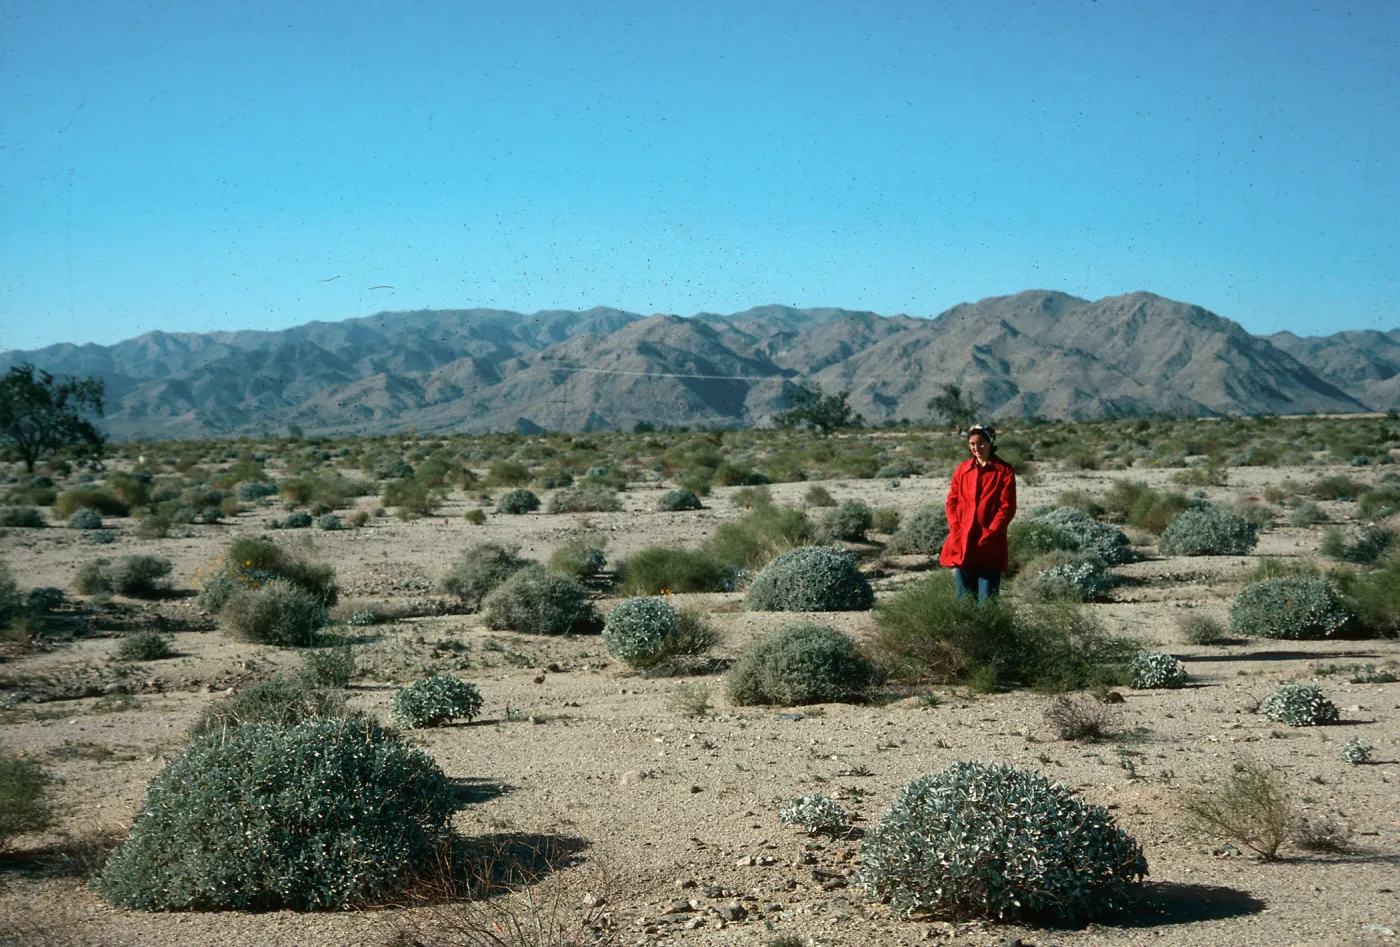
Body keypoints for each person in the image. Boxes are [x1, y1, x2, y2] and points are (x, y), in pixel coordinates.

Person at [939, 423, 1017, 602]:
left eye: (981, 443)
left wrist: (991, 532)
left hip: (989, 543)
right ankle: (965, 631)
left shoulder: (1004, 471)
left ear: (990, 442)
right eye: (972, 443)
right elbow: (952, 502)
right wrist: (955, 526)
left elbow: (1007, 508)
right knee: (963, 598)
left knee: (987, 599)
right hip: (963, 540)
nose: (976, 447)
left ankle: (988, 630)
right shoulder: (962, 469)